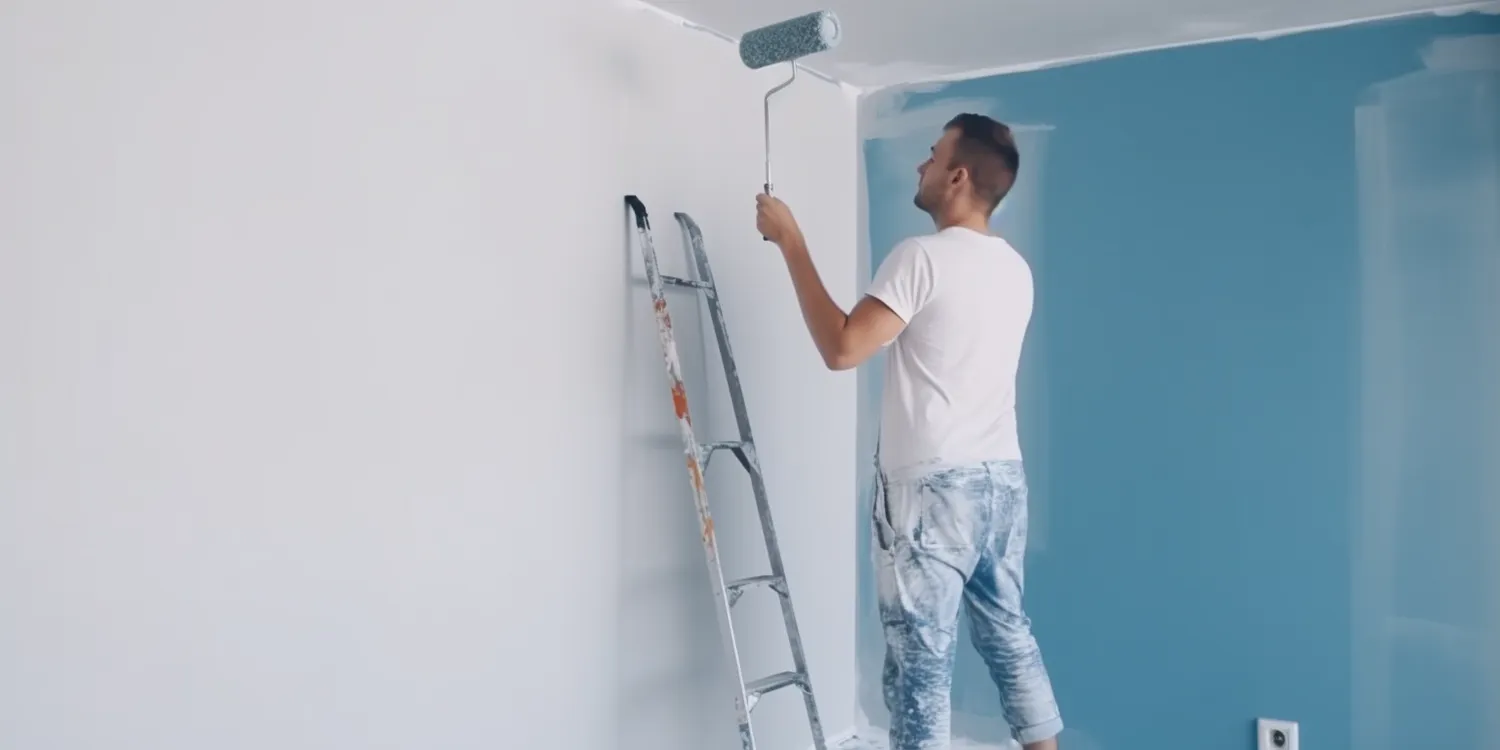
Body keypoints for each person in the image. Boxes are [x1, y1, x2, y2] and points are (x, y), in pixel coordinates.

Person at [754, 113, 1062, 750]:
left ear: (957, 176)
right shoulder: (1016, 269)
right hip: (1002, 484)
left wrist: (791, 241)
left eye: (932, 156)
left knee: (920, 666)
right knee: (1011, 638)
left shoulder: (921, 257)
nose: (921, 166)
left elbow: (843, 348)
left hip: (931, 492)